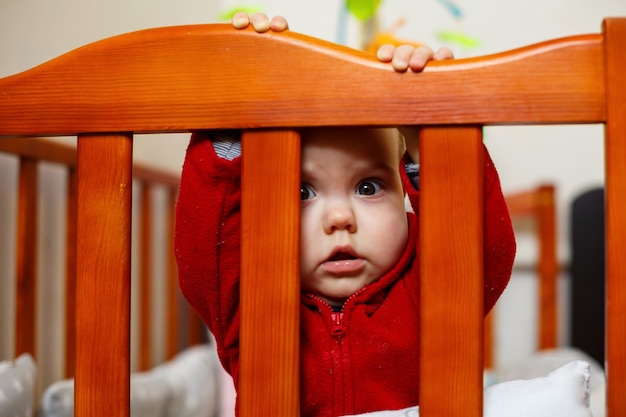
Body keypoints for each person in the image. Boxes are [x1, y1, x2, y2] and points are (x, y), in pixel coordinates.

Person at [175, 12, 516, 417]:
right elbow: (205, 250)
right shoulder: (250, 305)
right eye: (302, 192)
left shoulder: (433, 291)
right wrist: (235, 104)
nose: (340, 217)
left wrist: (432, 134)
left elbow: (478, 249)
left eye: (368, 187)